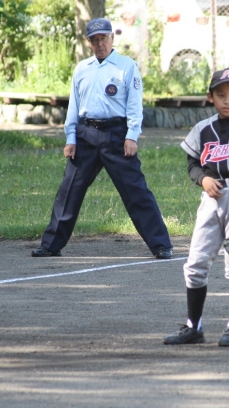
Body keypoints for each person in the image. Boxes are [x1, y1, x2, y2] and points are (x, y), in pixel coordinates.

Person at [31, 18, 173, 259]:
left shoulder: (126, 66)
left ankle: (161, 245)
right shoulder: (82, 69)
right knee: (69, 190)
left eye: (103, 38)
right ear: (88, 42)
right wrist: (70, 137)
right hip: (86, 135)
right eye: (94, 40)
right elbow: (74, 106)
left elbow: (134, 105)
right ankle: (51, 244)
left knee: (135, 190)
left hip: (116, 135)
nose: (99, 44)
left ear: (112, 38)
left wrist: (132, 136)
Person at [163, 68, 229, 347]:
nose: (227, 100)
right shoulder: (202, 129)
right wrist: (203, 179)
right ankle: (193, 327)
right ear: (210, 97)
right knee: (195, 264)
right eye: (221, 95)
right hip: (210, 199)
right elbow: (192, 165)